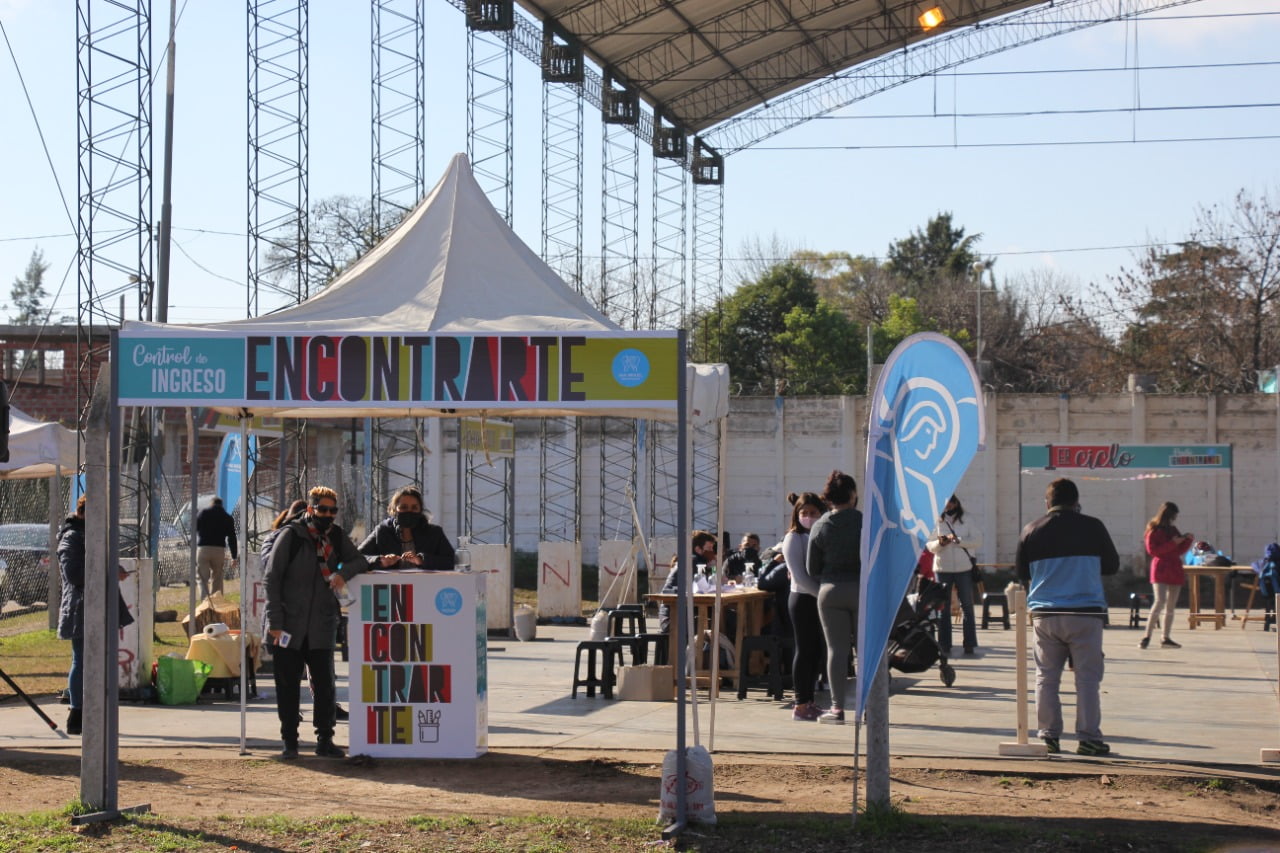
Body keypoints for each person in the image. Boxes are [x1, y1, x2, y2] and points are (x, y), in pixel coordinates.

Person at [265, 486, 373, 759]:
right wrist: (275, 621)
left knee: (325, 685)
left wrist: (342, 573)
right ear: (310, 509)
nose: (327, 515)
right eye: (322, 509)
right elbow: (272, 578)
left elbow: (358, 560)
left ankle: (325, 739)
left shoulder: (335, 536)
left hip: (321, 625)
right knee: (288, 685)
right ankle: (290, 741)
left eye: (332, 511)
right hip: (288, 625)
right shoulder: (292, 535)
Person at [1015, 477, 1119, 756]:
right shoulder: (1093, 527)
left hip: (1045, 615)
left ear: (1047, 502)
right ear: (1076, 501)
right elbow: (1112, 566)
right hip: (1085, 613)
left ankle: (1049, 736)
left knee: (1046, 677)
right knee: (1087, 679)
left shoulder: (1031, 530)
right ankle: (1088, 738)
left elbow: (1022, 574)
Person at [57, 494, 132, 736]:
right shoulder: (71, 537)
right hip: (81, 608)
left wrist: (114, 568)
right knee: (81, 659)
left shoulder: (95, 537)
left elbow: (101, 563)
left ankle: (94, 710)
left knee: (100, 659)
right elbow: (74, 574)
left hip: (101, 606)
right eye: (96, 515)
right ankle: (76, 712)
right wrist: (108, 570)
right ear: (82, 513)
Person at [807, 470, 862, 725]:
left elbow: (812, 568)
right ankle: (869, 708)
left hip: (830, 591)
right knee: (866, 650)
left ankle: (837, 709)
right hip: (862, 589)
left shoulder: (820, 525)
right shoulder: (866, 521)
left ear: (829, 498)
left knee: (836, 650)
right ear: (852, 495)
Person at [783, 491, 827, 722]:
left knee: (816, 651)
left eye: (813, 513)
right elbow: (799, 576)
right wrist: (823, 595)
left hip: (817, 598)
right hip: (802, 599)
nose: (809, 517)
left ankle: (810, 700)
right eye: (804, 513)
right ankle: (800, 703)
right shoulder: (794, 538)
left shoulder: (820, 535)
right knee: (804, 649)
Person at [926, 494, 983, 656]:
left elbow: (977, 540)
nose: (948, 507)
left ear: (956, 502)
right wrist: (940, 543)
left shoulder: (967, 518)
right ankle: (944, 644)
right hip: (942, 568)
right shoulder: (936, 521)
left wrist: (958, 540)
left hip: (963, 568)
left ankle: (969, 643)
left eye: (950, 504)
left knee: (967, 606)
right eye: (945, 505)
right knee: (942, 609)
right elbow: (929, 544)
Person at [358, 486, 456, 570]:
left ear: (420, 510)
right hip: (392, 588)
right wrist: (380, 561)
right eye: (404, 507)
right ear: (394, 510)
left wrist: (421, 560)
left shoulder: (434, 533)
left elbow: (451, 561)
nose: (409, 512)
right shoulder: (382, 531)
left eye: (414, 508)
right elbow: (357, 558)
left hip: (427, 587)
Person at [1141, 501, 1193, 650]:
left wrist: (1186, 540)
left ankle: (1166, 637)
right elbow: (1153, 551)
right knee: (1159, 601)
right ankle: (1147, 635)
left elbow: (1178, 550)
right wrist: (1173, 543)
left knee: (1171, 606)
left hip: (1174, 567)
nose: (1174, 519)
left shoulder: (1173, 529)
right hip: (1161, 568)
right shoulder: (1154, 530)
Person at [657, 530, 718, 635]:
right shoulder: (693, 562)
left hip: (682, 614)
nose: (712, 552)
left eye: (712, 548)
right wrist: (714, 568)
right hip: (673, 617)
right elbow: (706, 588)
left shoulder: (698, 562)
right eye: (709, 548)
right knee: (714, 622)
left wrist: (714, 568)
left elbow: (713, 583)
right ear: (698, 549)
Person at [195, 496, 239, 598]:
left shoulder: (203, 513)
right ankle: (216, 602)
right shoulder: (227, 517)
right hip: (219, 550)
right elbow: (232, 538)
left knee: (202, 578)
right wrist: (234, 556)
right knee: (217, 577)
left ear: (211, 504)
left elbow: (195, 529)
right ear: (221, 505)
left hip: (203, 548)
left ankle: (205, 602)